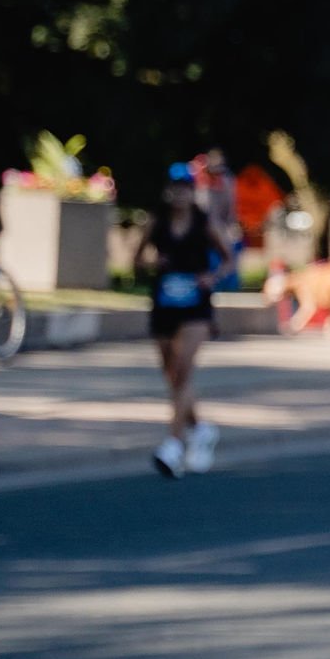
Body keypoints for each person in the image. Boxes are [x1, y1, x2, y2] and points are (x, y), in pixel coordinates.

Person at [137, 162, 233, 477]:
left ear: (193, 193)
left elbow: (229, 260)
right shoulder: (157, 224)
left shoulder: (205, 223)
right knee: (172, 374)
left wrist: (211, 276)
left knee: (183, 368)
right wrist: (153, 261)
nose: (179, 195)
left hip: (196, 307)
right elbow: (136, 260)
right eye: (175, 189)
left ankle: (174, 444)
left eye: (186, 189)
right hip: (165, 304)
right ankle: (201, 429)